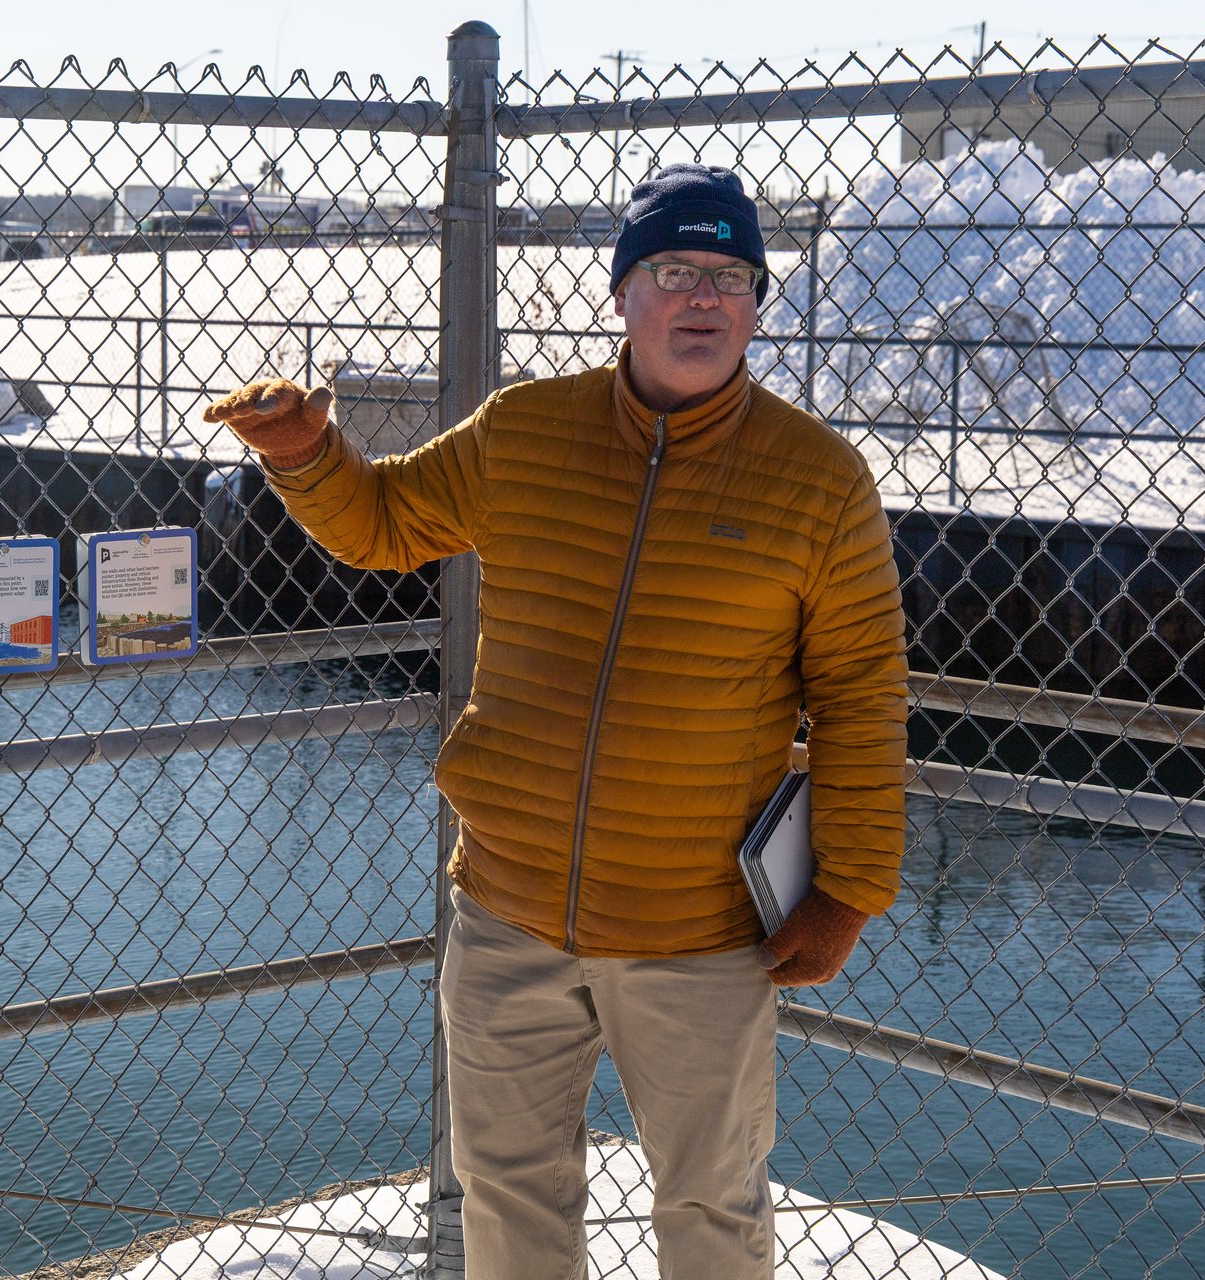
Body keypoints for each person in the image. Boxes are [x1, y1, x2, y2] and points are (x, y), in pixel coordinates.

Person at [203, 163, 907, 1278]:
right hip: (510, 912)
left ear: (758, 305)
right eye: (675, 269)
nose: (706, 296)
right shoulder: (525, 429)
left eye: (734, 276)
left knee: (713, 1207)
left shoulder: (819, 479)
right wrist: (304, 455)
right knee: (510, 1194)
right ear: (623, 291)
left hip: (701, 931)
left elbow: (863, 694)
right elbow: (385, 523)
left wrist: (851, 888)